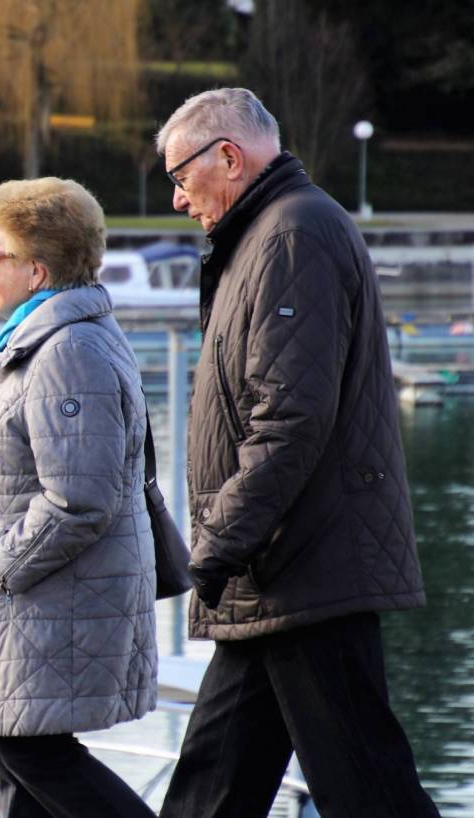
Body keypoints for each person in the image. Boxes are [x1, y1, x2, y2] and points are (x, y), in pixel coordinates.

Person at [154, 88, 440, 818]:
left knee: (368, 790)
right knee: (208, 793)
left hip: (307, 571)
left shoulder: (293, 236)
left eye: (181, 177)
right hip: (276, 572)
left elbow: (289, 419)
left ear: (228, 156)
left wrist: (214, 546)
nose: (180, 200)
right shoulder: (269, 235)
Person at [0, 177, 157, 818]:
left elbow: (79, 499)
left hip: (43, 602)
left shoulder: (67, 351)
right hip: (33, 605)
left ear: (36, 270)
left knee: (32, 755)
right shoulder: (40, 342)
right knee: (17, 760)